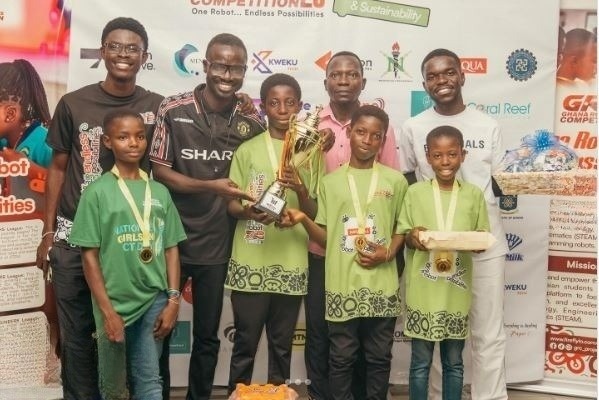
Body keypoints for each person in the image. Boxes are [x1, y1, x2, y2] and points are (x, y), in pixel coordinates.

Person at [36, 17, 164, 400]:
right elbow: (58, 168)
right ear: (103, 51)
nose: (123, 54)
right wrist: (48, 232)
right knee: (77, 336)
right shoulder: (73, 103)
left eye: (132, 48)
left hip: (128, 241)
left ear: (144, 56)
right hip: (74, 238)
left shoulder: (157, 107)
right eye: (115, 46)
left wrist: (244, 104)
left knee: (129, 335)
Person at [149, 33, 266, 400]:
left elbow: (263, 165)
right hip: (171, 241)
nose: (227, 75)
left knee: (207, 336)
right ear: (205, 66)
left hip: (217, 243)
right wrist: (211, 186)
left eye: (236, 68)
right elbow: (160, 171)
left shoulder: (250, 121)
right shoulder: (173, 109)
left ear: (244, 71)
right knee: (160, 329)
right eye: (220, 66)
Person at [399, 48, 509, 400]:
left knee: (488, 332)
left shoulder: (487, 125)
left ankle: (490, 397)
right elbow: (408, 182)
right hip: (436, 249)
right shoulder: (413, 127)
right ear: (424, 85)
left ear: (462, 76)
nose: (441, 81)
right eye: (432, 76)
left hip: (484, 245)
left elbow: (503, 184)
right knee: (437, 326)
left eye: (448, 72)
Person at [284, 105, 408, 400]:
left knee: (379, 358)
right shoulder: (330, 183)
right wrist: (303, 219)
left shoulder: (396, 181)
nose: (367, 140)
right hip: (342, 285)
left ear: (383, 141)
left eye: (376, 136)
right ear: (349, 133)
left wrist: (388, 252)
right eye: (361, 132)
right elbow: (327, 238)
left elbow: (402, 227)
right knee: (341, 358)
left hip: (381, 285)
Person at [68, 110, 187, 400]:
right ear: (108, 142)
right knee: (113, 387)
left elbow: (171, 248)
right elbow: (89, 257)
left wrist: (173, 301)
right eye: (123, 137)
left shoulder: (159, 192)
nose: (133, 143)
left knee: (149, 379)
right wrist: (108, 312)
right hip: (113, 301)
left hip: (154, 299)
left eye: (139, 136)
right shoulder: (96, 193)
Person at [306, 50, 399, 400]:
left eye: (352, 74)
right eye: (336, 74)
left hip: (373, 251)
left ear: (363, 80)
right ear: (326, 81)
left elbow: (390, 189)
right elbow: (303, 179)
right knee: (323, 334)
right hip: (326, 249)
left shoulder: (380, 127)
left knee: (369, 343)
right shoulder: (312, 125)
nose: (343, 80)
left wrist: (390, 248)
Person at [225, 73, 322, 393]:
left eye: (289, 102)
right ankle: (237, 396)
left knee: (281, 347)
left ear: (299, 106)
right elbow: (231, 204)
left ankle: (279, 395)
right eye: (274, 103)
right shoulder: (247, 150)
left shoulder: (310, 153)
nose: (282, 109)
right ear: (263, 107)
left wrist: (300, 187)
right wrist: (249, 212)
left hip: (291, 260)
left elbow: (314, 213)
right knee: (245, 343)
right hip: (251, 257)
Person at [398, 125, 490, 400]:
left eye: (452, 154)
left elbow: (482, 239)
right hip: (423, 294)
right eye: (438, 155)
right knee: (420, 364)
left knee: (454, 364)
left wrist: (476, 242)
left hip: (455, 293)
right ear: (428, 157)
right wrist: (414, 237)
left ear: (463, 155)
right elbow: (405, 235)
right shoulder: (415, 193)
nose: (445, 161)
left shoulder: (473, 194)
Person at [0, 59, 52, 167]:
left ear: (10, 114)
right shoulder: (4, 141)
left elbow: (68, 176)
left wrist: (29, 168)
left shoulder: (45, 143)